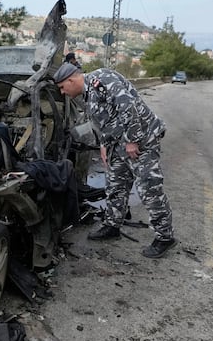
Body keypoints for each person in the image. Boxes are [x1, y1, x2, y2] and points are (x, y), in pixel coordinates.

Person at [53, 62, 176, 258]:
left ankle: (164, 237)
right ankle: (112, 225)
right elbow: (103, 120)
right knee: (115, 185)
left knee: (149, 187)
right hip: (117, 143)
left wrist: (133, 140)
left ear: (71, 79)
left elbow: (128, 107)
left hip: (142, 139)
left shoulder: (102, 80)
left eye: (62, 87)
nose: (62, 92)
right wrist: (103, 144)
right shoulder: (86, 94)